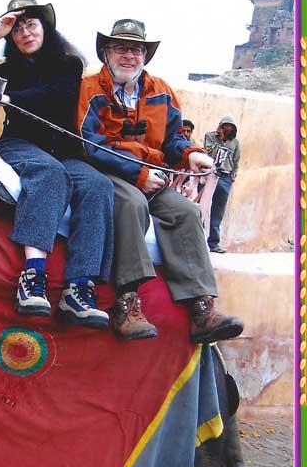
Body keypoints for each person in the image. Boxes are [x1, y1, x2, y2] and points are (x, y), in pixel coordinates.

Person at [77, 18, 244, 343]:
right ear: (106, 52)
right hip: (109, 173)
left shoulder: (161, 91)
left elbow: (174, 138)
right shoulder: (90, 89)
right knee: (132, 204)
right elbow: (90, 144)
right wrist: (137, 174)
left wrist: (191, 153)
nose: (129, 56)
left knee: (185, 211)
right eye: (121, 48)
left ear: (145, 55)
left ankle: (201, 309)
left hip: (153, 175)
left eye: (136, 49)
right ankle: (127, 303)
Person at [0, 0, 115, 329]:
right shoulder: (7, 69)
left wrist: (8, 97)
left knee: (98, 185)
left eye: (31, 25)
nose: (25, 33)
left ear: (45, 28)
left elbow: (55, 96)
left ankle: (79, 288)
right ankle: (33, 277)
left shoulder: (69, 65)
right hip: (21, 145)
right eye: (17, 29)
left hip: (63, 150)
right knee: (49, 174)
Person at [203, 115, 241, 254]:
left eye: (230, 126)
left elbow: (236, 161)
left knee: (218, 211)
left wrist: (232, 177)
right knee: (202, 208)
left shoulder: (235, 142)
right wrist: (220, 140)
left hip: (225, 178)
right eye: (226, 125)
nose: (228, 128)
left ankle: (214, 243)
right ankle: (199, 240)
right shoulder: (210, 136)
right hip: (209, 174)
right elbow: (209, 153)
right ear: (221, 125)